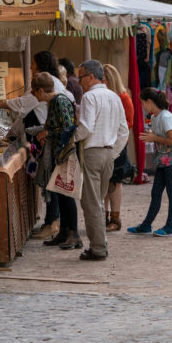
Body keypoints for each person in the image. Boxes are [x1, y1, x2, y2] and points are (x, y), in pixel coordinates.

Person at [0, 50, 73, 240]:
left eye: (33, 63)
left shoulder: (51, 91)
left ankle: (56, 224)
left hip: (55, 146)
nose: (31, 67)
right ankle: (58, 225)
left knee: (53, 183)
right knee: (53, 184)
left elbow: (65, 124)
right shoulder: (53, 86)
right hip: (50, 143)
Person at [73, 60, 129, 260]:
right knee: (97, 201)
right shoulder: (114, 96)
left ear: (90, 76)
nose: (79, 82)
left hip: (93, 152)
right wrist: (113, 152)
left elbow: (86, 127)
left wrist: (71, 137)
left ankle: (97, 248)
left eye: (80, 77)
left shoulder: (90, 96)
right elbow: (124, 130)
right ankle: (100, 243)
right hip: (108, 154)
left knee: (92, 203)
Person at [29, 73, 81, 250]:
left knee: (66, 195)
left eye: (35, 92)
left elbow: (67, 127)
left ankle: (74, 234)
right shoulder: (53, 102)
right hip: (58, 154)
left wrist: (48, 133)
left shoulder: (60, 101)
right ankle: (64, 232)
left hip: (64, 154)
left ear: (41, 90)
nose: (35, 96)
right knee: (60, 193)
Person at [128, 88, 172, 237]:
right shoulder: (156, 117)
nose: (142, 106)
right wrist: (153, 136)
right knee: (156, 192)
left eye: (142, 103)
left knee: (171, 193)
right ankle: (146, 225)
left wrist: (153, 138)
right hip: (164, 159)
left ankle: (169, 227)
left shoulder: (165, 117)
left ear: (149, 102)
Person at [102, 64, 134, 232]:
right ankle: (104, 216)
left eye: (104, 80)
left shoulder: (123, 97)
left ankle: (115, 217)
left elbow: (129, 122)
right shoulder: (102, 96)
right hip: (104, 142)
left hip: (118, 143)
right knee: (104, 181)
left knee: (115, 181)